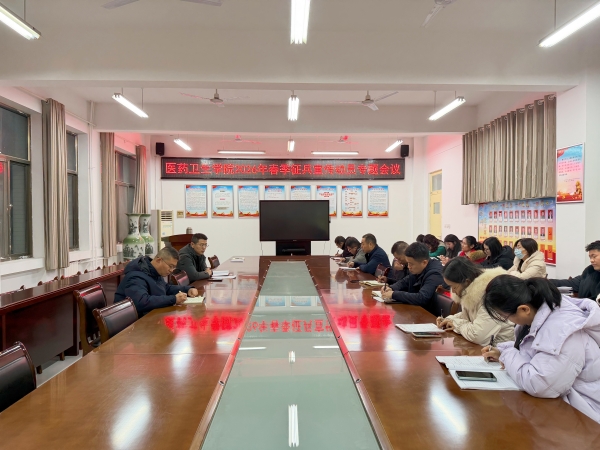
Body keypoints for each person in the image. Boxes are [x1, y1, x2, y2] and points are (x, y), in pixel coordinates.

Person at [482, 276, 600, 424]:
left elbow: (540, 384)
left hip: (583, 414)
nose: (509, 321)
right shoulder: (541, 311)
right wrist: (503, 350)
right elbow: (535, 350)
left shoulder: (563, 329)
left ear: (524, 309)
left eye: (506, 317)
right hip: (561, 404)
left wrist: (507, 354)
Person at [436, 258, 513, 345]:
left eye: (454, 287)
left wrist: (455, 323)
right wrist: (449, 319)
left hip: (500, 348)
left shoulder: (492, 295)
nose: (453, 291)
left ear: (467, 282)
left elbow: (477, 336)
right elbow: (468, 317)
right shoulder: (469, 291)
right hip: (483, 347)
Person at [115, 247, 200, 316]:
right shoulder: (136, 276)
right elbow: (141, 302)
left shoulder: (154, 272)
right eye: (170, 266)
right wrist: (174, 299)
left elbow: (166, 288)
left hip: (151, 317)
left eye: (174, 267)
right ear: (159, 260)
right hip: (133, 325)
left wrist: (187, 290)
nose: (171, 270)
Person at [380, 242, 444, 315]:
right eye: (408, 263)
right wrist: (391, 288)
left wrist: (394, 294)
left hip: (430, 316)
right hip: (417, 311)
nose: (408, 266)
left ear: (424, 262)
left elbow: (422, 298)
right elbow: (405, 281)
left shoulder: (435, 274)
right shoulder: (418, 268)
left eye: (411, 264)